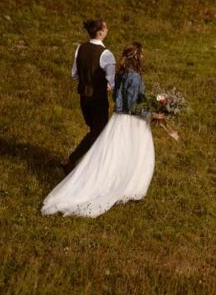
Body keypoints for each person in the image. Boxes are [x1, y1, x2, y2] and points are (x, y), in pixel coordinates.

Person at [42, 42, 159, 218]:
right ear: (137, 57)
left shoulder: (121, 74)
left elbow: (118, 97)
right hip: (131, 122)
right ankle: (125, 186)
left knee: (115, 154)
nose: (143, 58)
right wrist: (152, 113)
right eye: (141, 55)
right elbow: (131, 105)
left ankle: (122, 183)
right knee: (134, 154)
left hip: (118, 120)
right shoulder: (134, 77)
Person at [61, 18, 116, 174]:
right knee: (98, 132)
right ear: (100, 32)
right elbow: (111, 82)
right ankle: (72, 161)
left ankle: (91, 165)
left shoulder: (80, 48)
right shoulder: (106, 54)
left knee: (96, 132)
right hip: (98, 99)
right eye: (106, 28)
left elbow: (74, 74)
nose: (107, 30)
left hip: (83, 98)